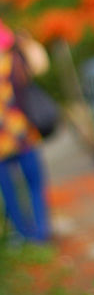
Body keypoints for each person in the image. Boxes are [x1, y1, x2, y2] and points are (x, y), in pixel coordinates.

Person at [0, 19, 51, 243]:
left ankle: (24, 234)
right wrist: (26, 43)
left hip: (5, 141)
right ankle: (40, 233)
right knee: (34, 185)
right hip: (23, 134)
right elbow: (41, 65)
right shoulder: (14, 58)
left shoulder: (14, 58)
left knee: (10, 193)